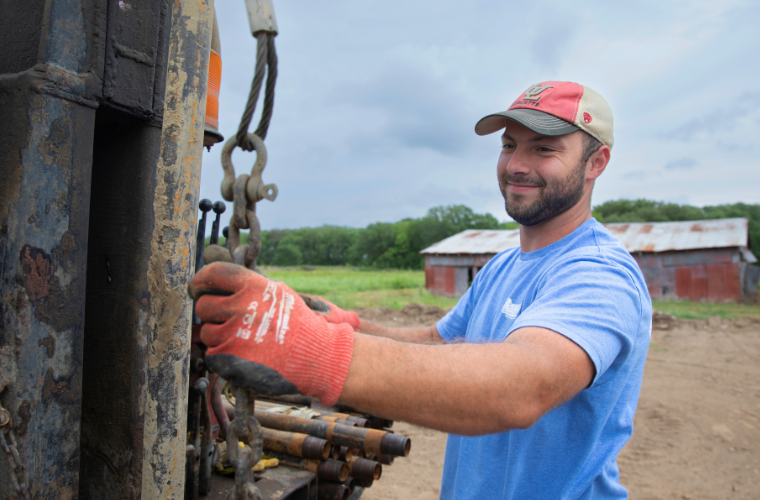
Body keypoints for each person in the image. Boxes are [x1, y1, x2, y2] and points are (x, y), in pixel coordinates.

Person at [190, 81, 652, 499]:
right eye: (509, 145)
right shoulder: (503, 266)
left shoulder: (600, 272)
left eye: (543, 149)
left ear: (596, 163)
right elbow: (443, 342)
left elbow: (522, 387)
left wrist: (317, 351)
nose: (516, 164)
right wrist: (348, 325)